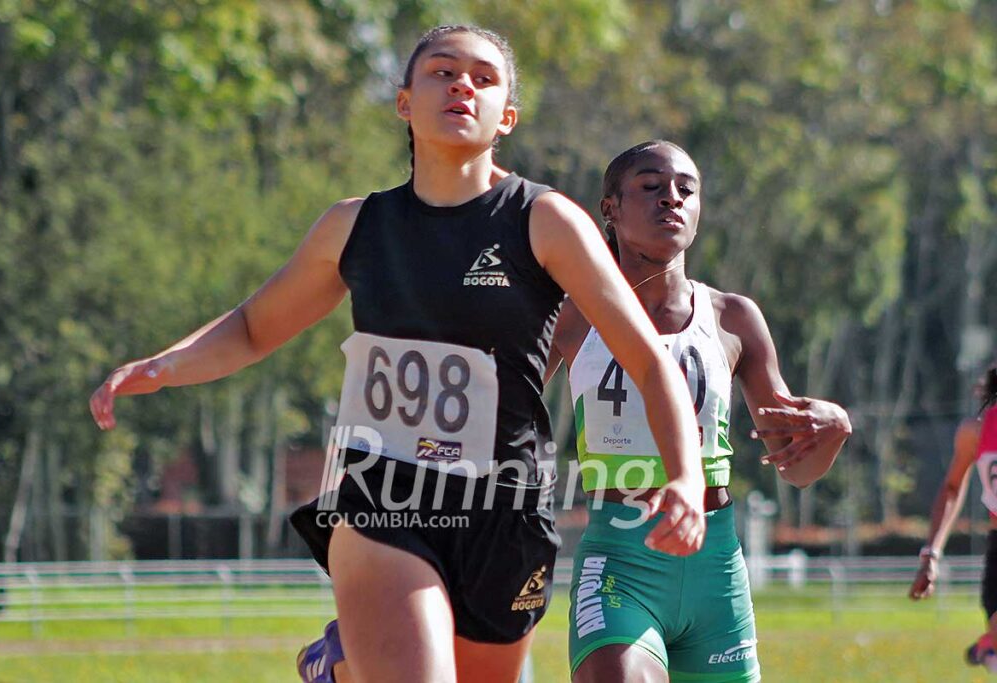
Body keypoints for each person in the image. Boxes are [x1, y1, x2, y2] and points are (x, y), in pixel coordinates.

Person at [89, 28, 708, 683]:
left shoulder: (544, 220)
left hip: (507, 507)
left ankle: (343, 668)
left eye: (483, 78)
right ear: (405, 102)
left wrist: (686, 478)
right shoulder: (355, 226)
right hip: (385, 495)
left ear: (506, 117)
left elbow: (649, 362)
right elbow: (251, 327)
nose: (462, 85)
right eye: (443, 71)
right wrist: (167, 364)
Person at [545, 140, 852, 683]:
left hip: (716, 569)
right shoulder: (571, 314)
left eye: (686, 190)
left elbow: (798, 471)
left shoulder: (733, 318)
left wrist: (835, 430)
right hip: (621, 560)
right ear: (610, 208)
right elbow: (501, 411)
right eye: (651, 186)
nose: (672, 198)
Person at [909, 365, 997, 671]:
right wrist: (931, 555)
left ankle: (989, 650)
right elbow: (951, 489)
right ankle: (990, 649)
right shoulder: (976, 431)